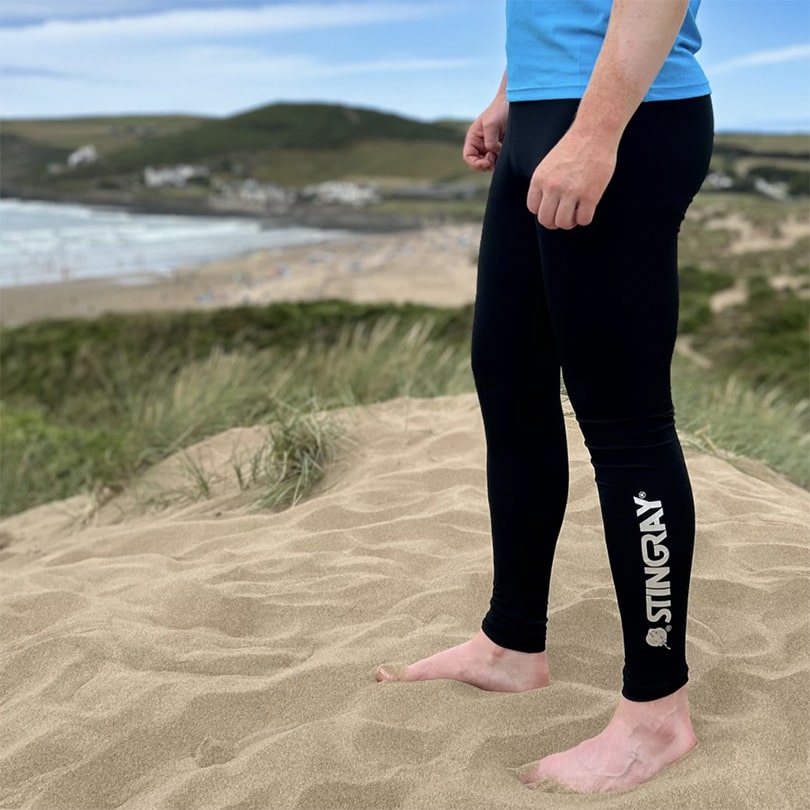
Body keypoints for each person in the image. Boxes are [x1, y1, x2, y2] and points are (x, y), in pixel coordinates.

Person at [375, 0, 713, 793]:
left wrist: (595, 132)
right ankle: (511, 643)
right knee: (510, 381)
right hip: (544, 109)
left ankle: (657, 712)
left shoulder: (608, 122)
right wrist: (511, 91)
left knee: (626, 423)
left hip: (624, 114)